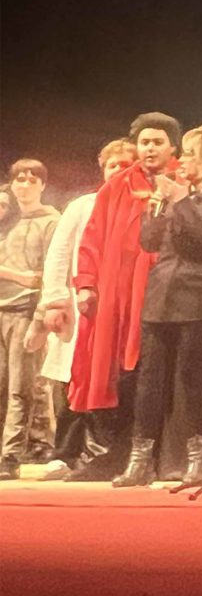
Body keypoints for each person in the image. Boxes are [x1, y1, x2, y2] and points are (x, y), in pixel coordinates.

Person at [114, 125, 202, 487]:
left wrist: (181, 201)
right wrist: (159, 206)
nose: (183, 160)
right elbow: (148, 241)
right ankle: (140, 459)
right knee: (150, 379)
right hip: (163, 294)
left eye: (190, 153)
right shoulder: (179, 196)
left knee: (195, 378)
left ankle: (197, 458)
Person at [68, 112, 181, 481]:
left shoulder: (184, 182)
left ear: (172, 147)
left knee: (154, 369)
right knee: (115, 370)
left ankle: (158, 455)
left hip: (164, 292)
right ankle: (110, 456)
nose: (150, 148)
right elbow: (92, 238)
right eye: (144, 142)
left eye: (158, 142)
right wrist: (86, 283)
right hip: (117, 294)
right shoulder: (116, 186)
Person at [33, 140, 136, 480]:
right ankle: (65, 452)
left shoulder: (141, 204)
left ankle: (102, 453)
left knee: (111, 381)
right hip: (82, 308)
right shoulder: (83, 206)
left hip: (120, 310)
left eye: (125, 165)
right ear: (102, 169)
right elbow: (59, 254)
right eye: (112, 165)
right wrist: (54, 301)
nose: (118, 171)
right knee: (73, 377)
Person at [0, 159, 60, 479]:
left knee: (21, 387)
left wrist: (40, 318)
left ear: (42, 185)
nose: (24, 185)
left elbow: (50, 272)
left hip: (24, 309)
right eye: (19, 180)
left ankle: (10, 457)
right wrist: (17, 275)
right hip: (2, 307)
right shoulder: (6, 220)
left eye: (31, 180)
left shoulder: (51, 221)